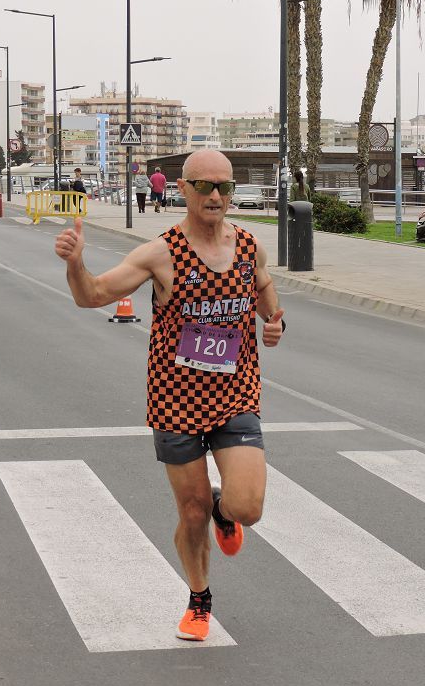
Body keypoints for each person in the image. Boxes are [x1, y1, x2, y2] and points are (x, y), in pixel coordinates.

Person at [54, 149, 285, 642]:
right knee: (192, 511)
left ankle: (227, 512)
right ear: (182, 189)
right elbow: (91, 294)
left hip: (236, 392)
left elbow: (263, 285)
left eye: (225, 187)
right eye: (204, 186)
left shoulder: (249, 245)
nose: (216, 196)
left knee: (247, 506)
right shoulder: (161, 252)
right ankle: (199, 600)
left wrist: (275, 319)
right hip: (176, 400)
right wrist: (77, 263)